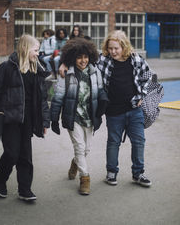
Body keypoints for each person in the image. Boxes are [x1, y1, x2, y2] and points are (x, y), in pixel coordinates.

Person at [0, 34, 50, 201]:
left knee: (25, 155)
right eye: (36, 50)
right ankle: (0, 179)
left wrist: (45, 121)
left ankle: (25, 189)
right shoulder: (7, 68)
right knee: (12, 153)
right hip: (9, 119)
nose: (38, 54)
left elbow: (42, 100)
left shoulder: (37, 71)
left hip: (28, 120)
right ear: (25, 49)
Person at [50, 38, 108, 195]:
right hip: (73, 116)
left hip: (89, 117)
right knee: (80, 147)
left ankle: (75, 163)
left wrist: (103, 101)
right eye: (79, 57)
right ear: (72, 58)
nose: (83, 60)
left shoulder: (95, 72)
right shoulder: (66, 74)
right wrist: (54, 118)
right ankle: (85, 179)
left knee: (86, 149)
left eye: (85, 57)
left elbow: (100, 90)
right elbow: (58, 96)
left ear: (90, 56)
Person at [97, 30, 153, 187]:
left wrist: (141, 95)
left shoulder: (135, 60)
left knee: (139, 141)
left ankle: (138, 173)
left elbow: (148, 76)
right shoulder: (103, 60)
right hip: (113, 111)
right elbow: (85, 62)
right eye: (110, 48)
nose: (113, 51)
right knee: (113, 142)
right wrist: (65, 62)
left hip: (134, 109)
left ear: (124, 46)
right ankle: (111, 173)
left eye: (116, 48)